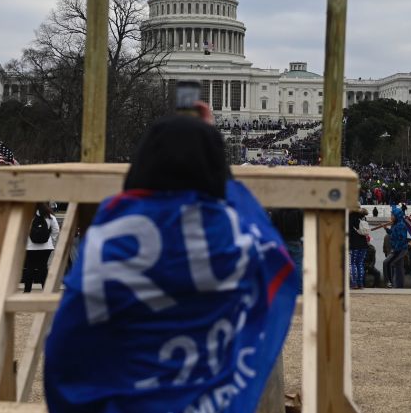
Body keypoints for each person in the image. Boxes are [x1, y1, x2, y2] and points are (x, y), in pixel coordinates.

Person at [43, 105, 298, 412]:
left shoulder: (109, 236)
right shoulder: (234, 236)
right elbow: (274, 257)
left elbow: (67, 343)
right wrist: (214, 158)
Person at [23, 202, 59, 293]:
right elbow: (56, 230)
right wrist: (51, 241)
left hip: (30, 247)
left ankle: (27, 290)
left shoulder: (28, 216)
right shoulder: (50, 216)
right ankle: (46, 290)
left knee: (30, 268)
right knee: (43, 268)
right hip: (46, 247)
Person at [380, 209, 408, 288]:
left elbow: (401, 239)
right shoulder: (396, 224)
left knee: (387, 263)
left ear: (397, 216)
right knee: (397, 266)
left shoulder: (401, 225)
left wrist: (394, 250)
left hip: (400, 249)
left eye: (392, 215)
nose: (391, 217)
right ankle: (397, 285)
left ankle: (389, 282)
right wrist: (386, 228)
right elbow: (392, 233)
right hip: (397, 249)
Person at [348, 208, 370, 290]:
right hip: (363, 244)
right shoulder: (362, 217)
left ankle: (354, 283)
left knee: (353, 263)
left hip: (354, 244)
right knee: (360, 263)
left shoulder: (350, 218)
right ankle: (360, 283)